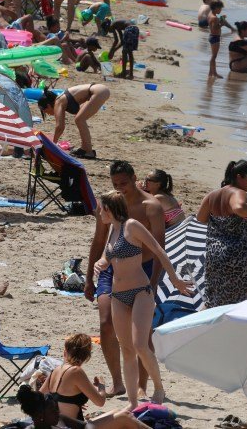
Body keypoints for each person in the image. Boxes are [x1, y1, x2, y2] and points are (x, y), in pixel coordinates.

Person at [98, 191, 190, 411]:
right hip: (118, 295)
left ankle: (158, 388)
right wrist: (100, 263)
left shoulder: (132, 226)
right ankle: (131, 403)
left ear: (109, 209)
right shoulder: (113, 229)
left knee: (140, 344)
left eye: (101, 208)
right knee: (127, 350)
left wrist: (175, 280)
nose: (98, 212)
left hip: (141, 291)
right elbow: (106, 256)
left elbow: (159, 250)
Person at [84, 161, 165, 401]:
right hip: (111, 269)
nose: (120, 189)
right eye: (115, 184)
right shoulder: (109, 204)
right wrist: (89, 277)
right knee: (106, 322)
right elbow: (99, 241)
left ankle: (142, 384)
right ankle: (118, 383)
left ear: (134, 178)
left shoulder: (151, 206)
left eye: (124, 184)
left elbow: (160, 247)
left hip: (143, 269)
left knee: (142, 332)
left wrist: (155, 281)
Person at [198, 160, 247, 309]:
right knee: (234, 306)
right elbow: (239, 207)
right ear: (239, 177)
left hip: (214, 256)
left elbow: (201, 218)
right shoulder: (238, 193)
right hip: (237, 261)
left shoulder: (213, 195)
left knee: (211, 300)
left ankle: (195, 329)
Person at [17, 384, 147, 429]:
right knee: (124, 418)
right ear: (40, 415)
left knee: (121, 414)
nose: (58, 412)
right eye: (53, 410)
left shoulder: (58, 418)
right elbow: (100, 401)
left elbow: (84, 425)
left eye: (56, 408)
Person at [37, 84, 110, 159]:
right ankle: (84, 149)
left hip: (98, 91)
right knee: (79, 118)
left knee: (79, 119)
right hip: (100, 90)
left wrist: (52, 145)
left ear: (48, 105)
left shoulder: (58, 102)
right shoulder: (61, 100)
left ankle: (89, 151)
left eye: (44, 111)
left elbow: (60, 127)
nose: (47, 114)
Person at [206, 0, 226, 79]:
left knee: (213, 56)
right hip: (215, 37)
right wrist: (222, 23)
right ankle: (214, 73)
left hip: (212, 36)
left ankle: (211, 72)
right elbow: (215, 28)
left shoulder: (210, 15)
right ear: (216, 8)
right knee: (214, 56)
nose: (221, 10)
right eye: (220, 8)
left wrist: (220, 19)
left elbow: (214, 26)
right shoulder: (214, 17)